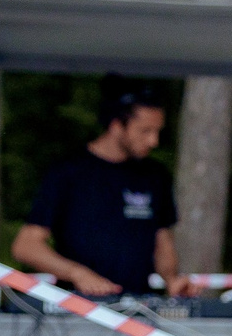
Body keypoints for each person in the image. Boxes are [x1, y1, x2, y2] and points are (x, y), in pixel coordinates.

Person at [11, 89, 191, 297]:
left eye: (157, 132)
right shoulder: (68, 171)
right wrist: (76, 273)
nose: (154, 141)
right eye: (145, 131)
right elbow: (26, 246)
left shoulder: (155, 175)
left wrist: (172, 279)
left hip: (138, 306)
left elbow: (162, 241)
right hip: (79, 307)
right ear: (116, 125)